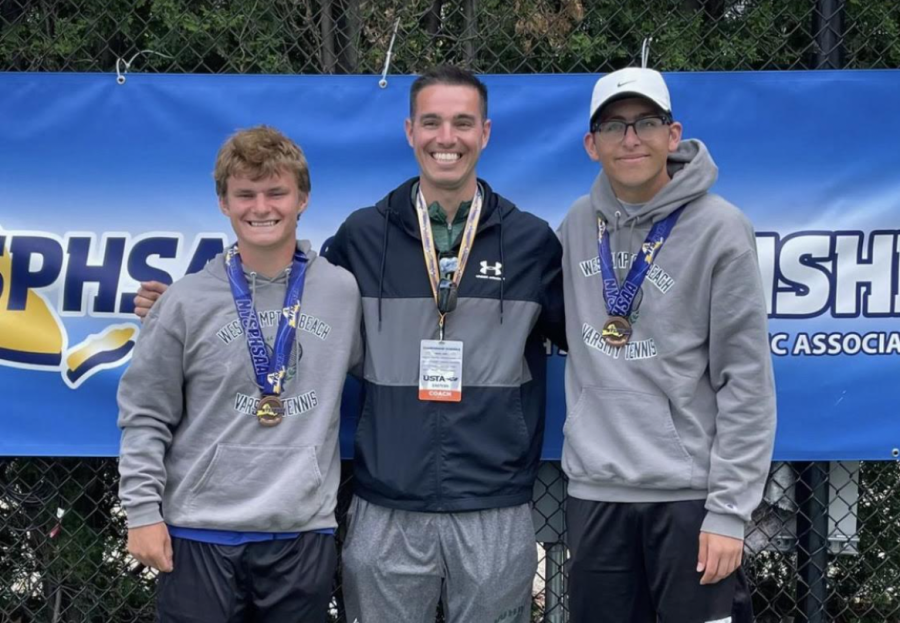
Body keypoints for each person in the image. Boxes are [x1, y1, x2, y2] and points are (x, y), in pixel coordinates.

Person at [135, 65, 565, 623]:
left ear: (485, 132)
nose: (446, 138)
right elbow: (289, 301)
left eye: (463, 122)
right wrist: (186, 305)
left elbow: (584, 332)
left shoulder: (531, 240)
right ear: (410, 131)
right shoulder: (364, 235)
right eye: (431, 122)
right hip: (386, 499)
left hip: (495, 499)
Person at [557, 66, 776, 622]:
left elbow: (745, 379)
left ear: (672, 135)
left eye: (646, 122)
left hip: (689, 500)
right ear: (591, 144)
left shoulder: (721, 228)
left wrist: (729, 512)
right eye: (613, 126)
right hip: (596, 493)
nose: (630, 139)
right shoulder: (578, 225)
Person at [118, 126, 362, 623]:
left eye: (276, 192)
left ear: (303, 199)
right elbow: (144, 415)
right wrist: (142, 514)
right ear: (224, 204)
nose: (261, 207)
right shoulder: (186, 300)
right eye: (245, 194)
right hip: (199, 532)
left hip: (300, 530)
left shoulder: (342, 292)